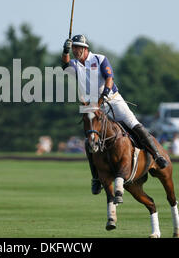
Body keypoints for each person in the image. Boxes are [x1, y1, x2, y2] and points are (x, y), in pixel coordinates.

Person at [61, 35, 168, 195]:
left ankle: (156, 155)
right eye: (74, 48)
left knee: (133, 123)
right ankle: (96, 178)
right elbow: (65, 66)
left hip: (111, 99)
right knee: (89, 139)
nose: (76, 50)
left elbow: (109, 78)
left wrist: (103, 95)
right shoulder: (76, 64)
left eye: (78, 47)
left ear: (85, 48)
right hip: (92, 106)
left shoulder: (99, 59)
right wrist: (65, 50)